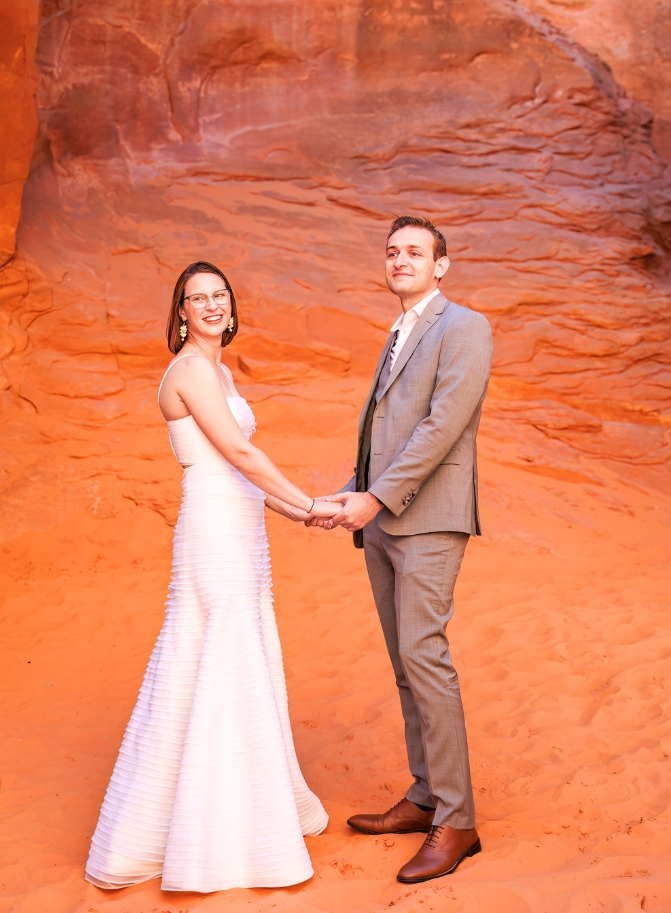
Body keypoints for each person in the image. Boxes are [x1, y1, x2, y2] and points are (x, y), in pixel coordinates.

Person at [85, 261, 341, 893]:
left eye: (219, 295)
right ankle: (216, 837)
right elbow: (239, 455)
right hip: (213, 536)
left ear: (231, 305)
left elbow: (243, 477)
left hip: (241, 530)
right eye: (196, 298)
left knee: (229, 658)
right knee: (218, 659)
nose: (210, 305)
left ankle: (244, 810)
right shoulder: (192, 370)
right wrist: (309, 503)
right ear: (180, 313)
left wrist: (296, 514)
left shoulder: (219, 369)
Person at [309, 216, 492, 884]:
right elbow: (384, 433)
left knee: (426, 657)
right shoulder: (397, 330)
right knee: (404, 663)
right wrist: (350, 492)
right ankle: (425, 795)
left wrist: (376, 498)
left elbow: (442, 426)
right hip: (383, 520)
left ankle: (459, 817)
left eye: (416, 252)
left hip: (428, 520)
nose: (401, 260)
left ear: (442, 265)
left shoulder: (464, 326)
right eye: (392, 252)